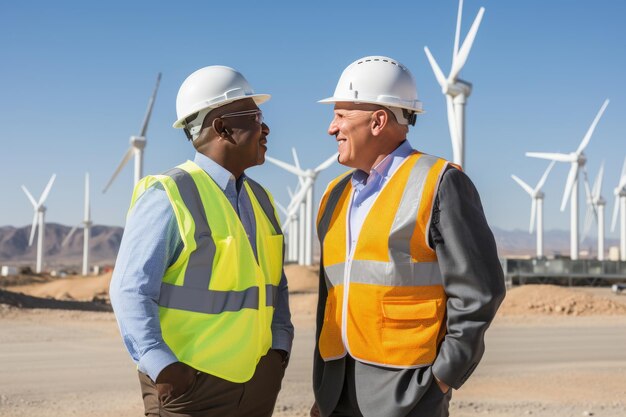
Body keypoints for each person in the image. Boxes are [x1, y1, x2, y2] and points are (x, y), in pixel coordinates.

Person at [310, 56, 506, 417]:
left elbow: (481, 290)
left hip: (409, 391)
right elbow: (331, 298)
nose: (331, 128)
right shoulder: (332, 196)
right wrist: (323, 389)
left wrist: (441, 379)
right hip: (337, 389)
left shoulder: (439, 182)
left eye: (340, 115)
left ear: (378, 121)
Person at [110, 65, 294, 417]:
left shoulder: (262, 199)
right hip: (191, 386)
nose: (266, 128)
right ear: (222, 127)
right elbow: (130, 289)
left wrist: (279, 351)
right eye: (255, 117)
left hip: (258, 381)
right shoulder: (169, 194)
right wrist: (163, 367)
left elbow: (276, 286)